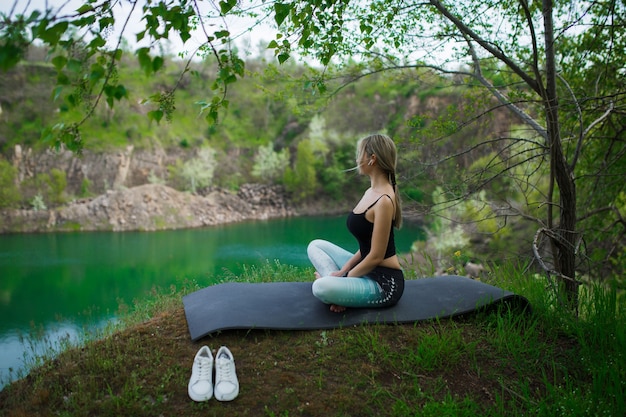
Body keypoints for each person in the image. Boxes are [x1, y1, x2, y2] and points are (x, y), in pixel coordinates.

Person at [307, 133, 405, 313]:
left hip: (383, 284)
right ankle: (336, 285)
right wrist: (343, 270)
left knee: (320, 288)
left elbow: (376, 256)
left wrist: (344, 279)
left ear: (372, 159)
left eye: (360, 153)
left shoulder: (384, 199)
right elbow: (367, 247)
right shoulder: (370, 192)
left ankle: (333, 286)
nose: (357, 158)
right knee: (315, 246)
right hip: (366, 270)